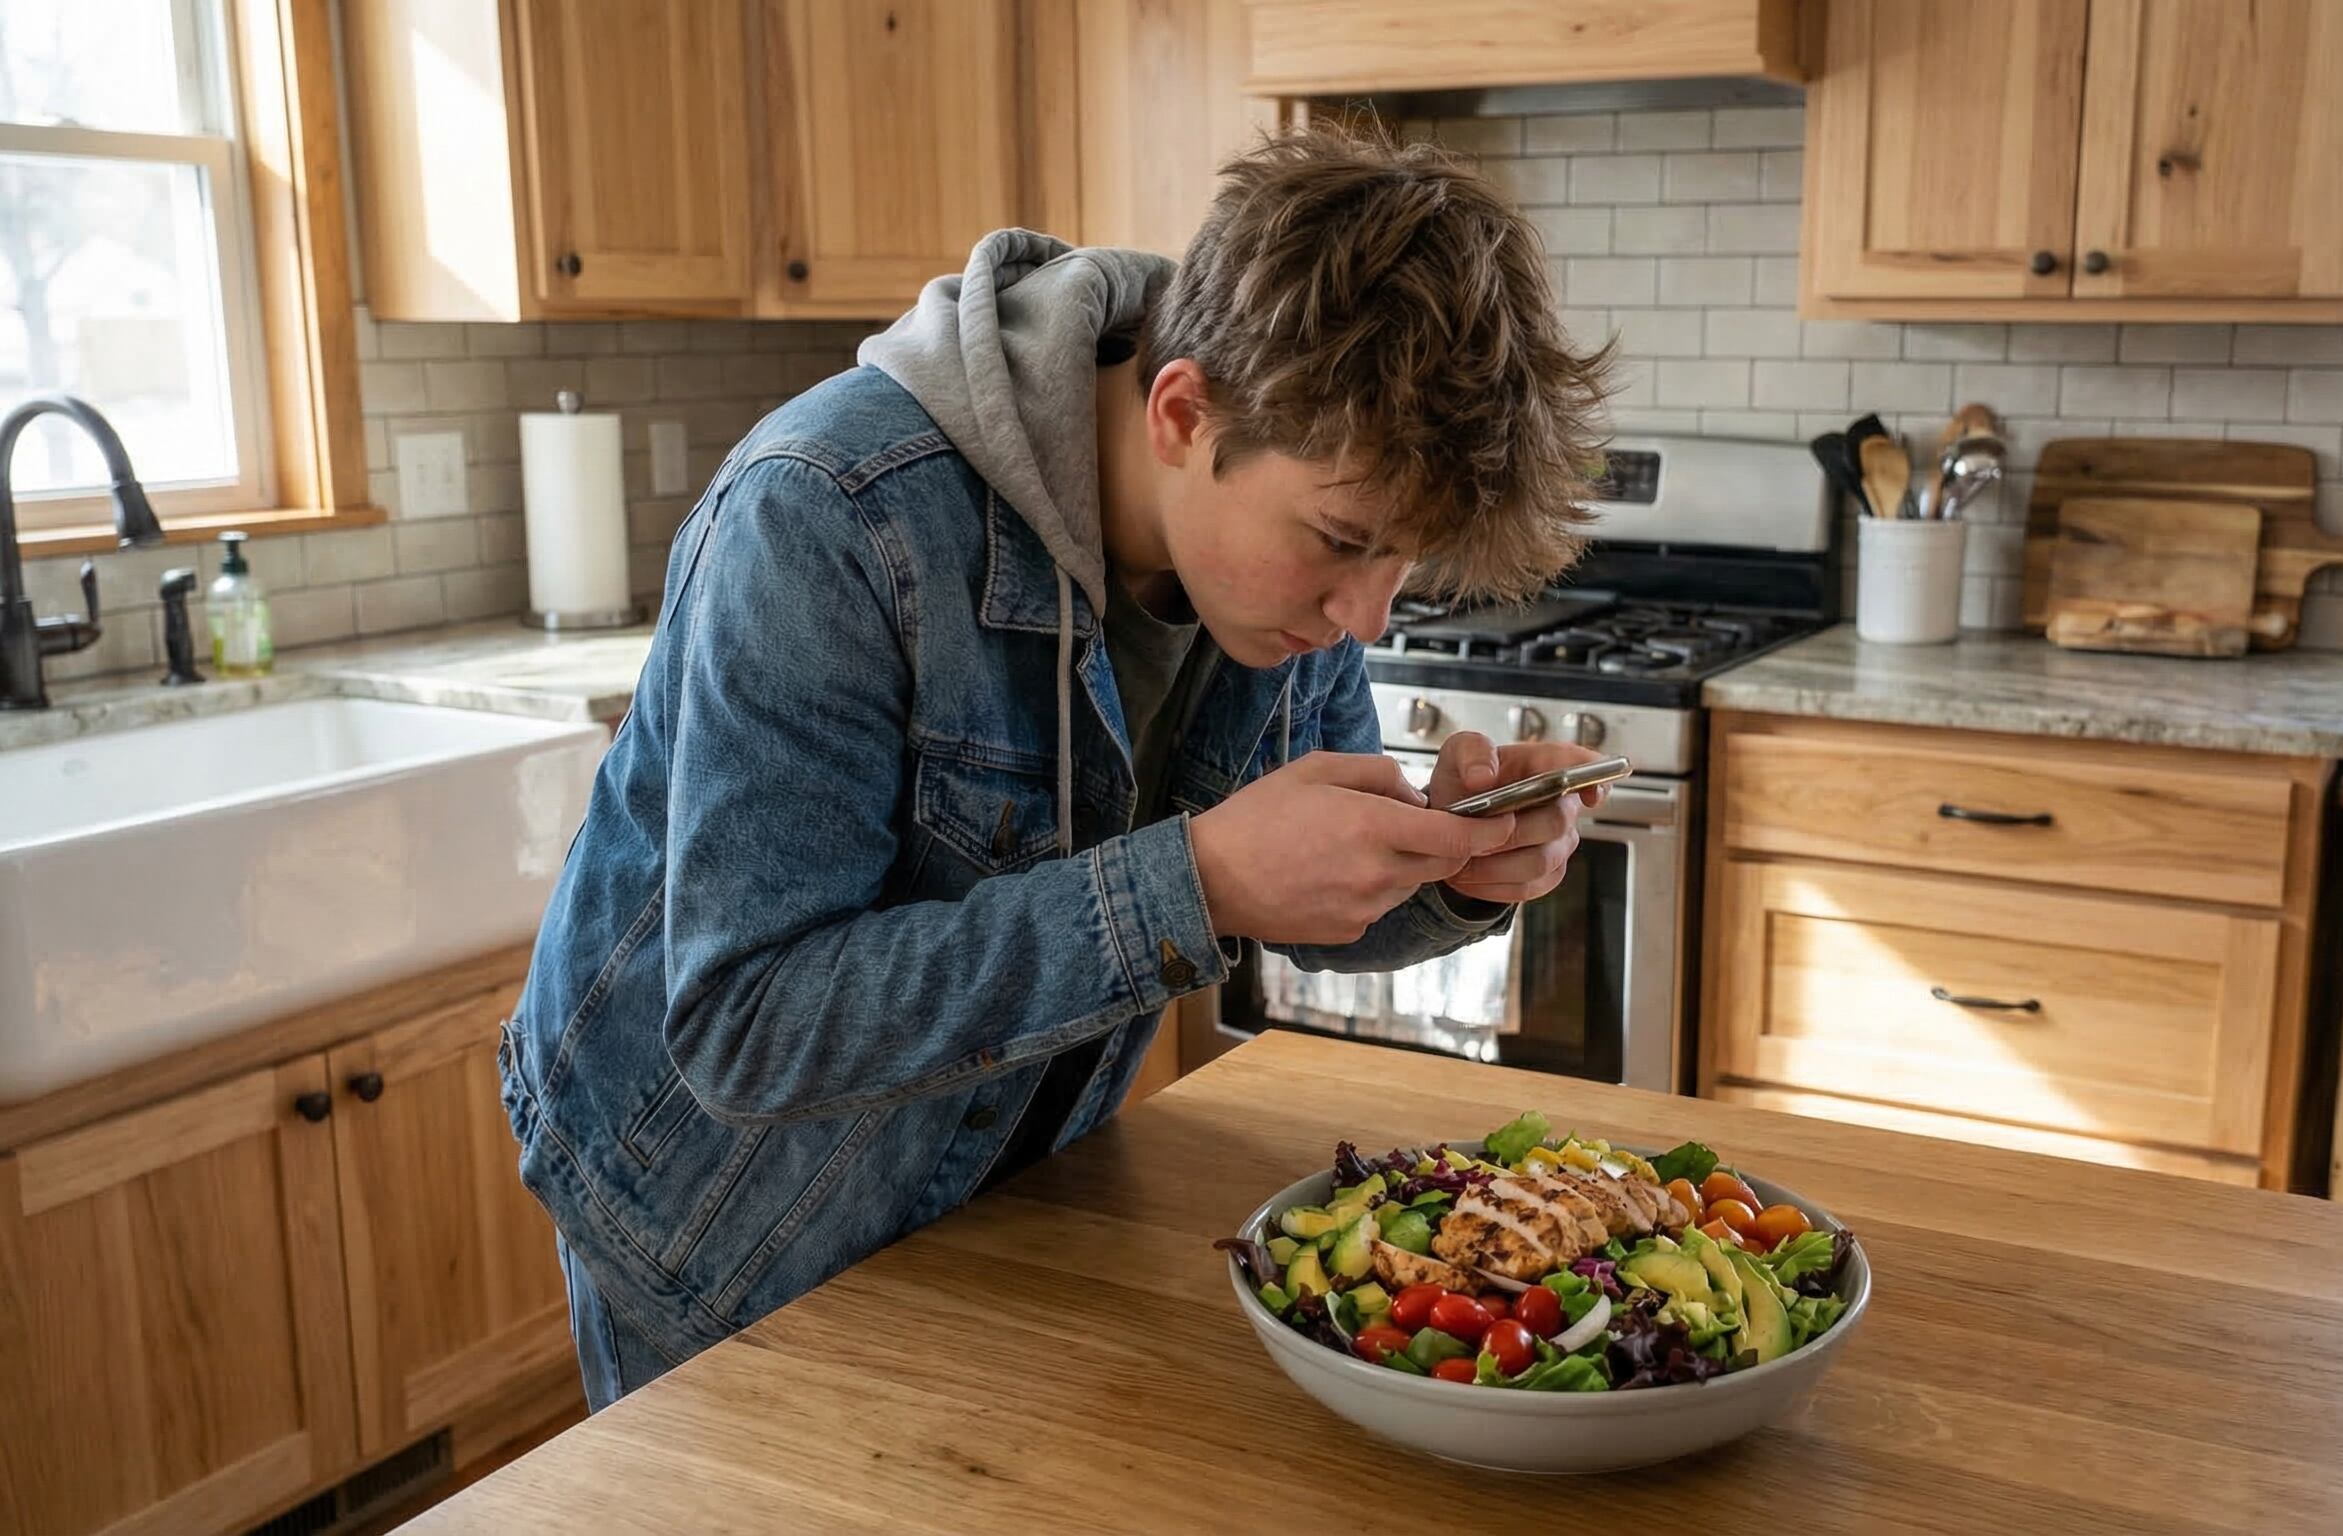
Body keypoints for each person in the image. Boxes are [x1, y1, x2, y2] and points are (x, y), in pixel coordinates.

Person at [497, 125, 1617, 1410]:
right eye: (1341, 540)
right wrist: (1194, 883)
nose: (1364, 617)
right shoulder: (827, 511)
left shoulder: (1277, 591)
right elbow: (747, 1028)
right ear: (1182, 414)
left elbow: (1306, 901)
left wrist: (1453, 867)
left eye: (1403, 562)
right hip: (708, 1237)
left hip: (994, 1210)